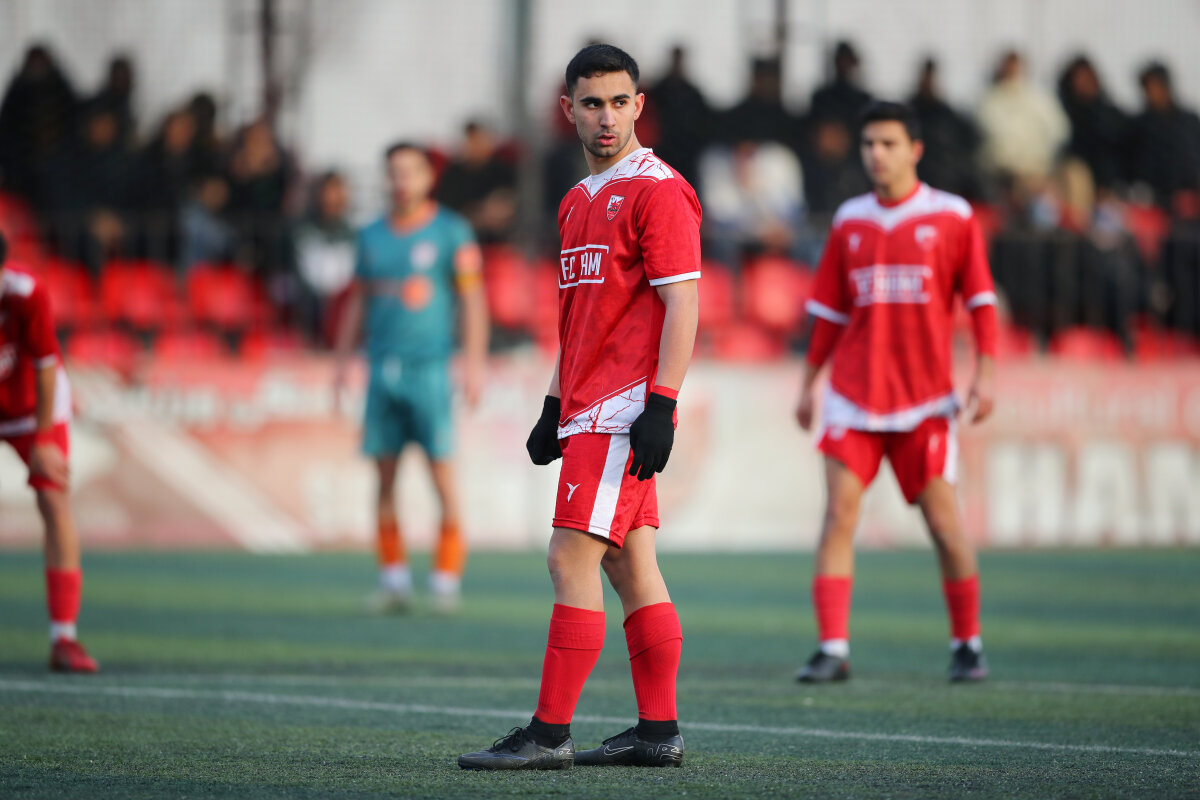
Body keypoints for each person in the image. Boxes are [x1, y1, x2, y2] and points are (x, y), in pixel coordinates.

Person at [459, 43, 700, 771]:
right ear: (568, 110)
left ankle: (549, 733)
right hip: (587, 404)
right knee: (630, 566)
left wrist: (661, 404)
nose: (606, 117)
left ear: (639, 105)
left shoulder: (659, 190)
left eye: (619, 102)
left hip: (623, 408)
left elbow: (682, 304)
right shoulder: (575, 201)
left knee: (570, 556)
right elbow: (580, 320)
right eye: (592, 103)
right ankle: (657, 732)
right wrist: (552, 403)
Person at [794, 101, 997, 684]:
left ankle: (967, 643)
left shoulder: (952, 215)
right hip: (854, 397)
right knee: (838, 515)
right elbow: (830, 314)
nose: (876, 154)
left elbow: (981, 302)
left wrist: (986, 373)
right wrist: (808, 384)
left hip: (924, 402)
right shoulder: (850, 219)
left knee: (944, 525)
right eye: (868, 145)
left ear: (915, 150)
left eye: (888, 144)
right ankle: (832, 648)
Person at [333, 143, 488, 614]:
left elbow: (472, 300)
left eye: (410, 172)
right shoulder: (370, 236)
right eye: (394, 172)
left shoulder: (451, 231)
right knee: (384, 477)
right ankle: (394, 580)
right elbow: (358, 300)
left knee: (441, 475)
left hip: (430, 371)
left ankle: (446, 580)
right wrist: (341, 362)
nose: (401, 181)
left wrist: (474, 362)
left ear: (427, 178)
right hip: (382, 370)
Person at [0, 232, 98, 672]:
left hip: (33, 406)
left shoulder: (26, 292)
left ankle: (64, 638)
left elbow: (45, 363)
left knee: (54, 499)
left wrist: (42, 439)